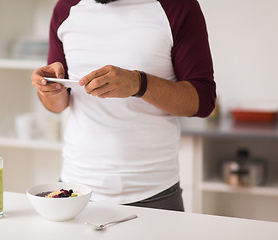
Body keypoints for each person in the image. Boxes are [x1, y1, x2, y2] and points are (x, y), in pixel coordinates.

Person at [31, 0, 216, 211]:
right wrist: (48, 89)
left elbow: (203, 101)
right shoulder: (65, 9)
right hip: (75, 189)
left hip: (154, 193)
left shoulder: (178, 6)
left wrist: (139, 84)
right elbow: (57, 105)